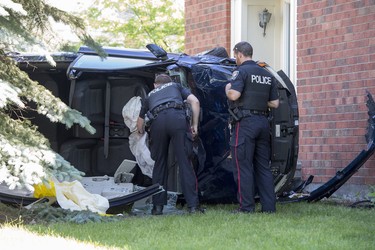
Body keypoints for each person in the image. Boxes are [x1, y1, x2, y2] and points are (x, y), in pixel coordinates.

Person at [137, 73, 204, 215]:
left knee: (159, 164)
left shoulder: (149, 95)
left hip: (157, 122)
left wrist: (142, 133)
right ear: (169, 82)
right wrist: (195, 125)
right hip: (177, 118)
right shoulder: (176, 86)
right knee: (185, 162)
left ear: (155, 85)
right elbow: (195, 102)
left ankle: (157, 208)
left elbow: (139, 125)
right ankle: (193, 206)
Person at [225, 41, 279, 213]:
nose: (235, 59)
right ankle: (269, 208)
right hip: (263, 123)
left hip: (245, 123)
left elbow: (234, 95)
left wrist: (227, 88)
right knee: (263, 166)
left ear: (240, 54)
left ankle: (246, 208)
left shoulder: (241, 72)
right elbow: (275, 103)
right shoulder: (266, 73)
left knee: (243, 166)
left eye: (235, 56)